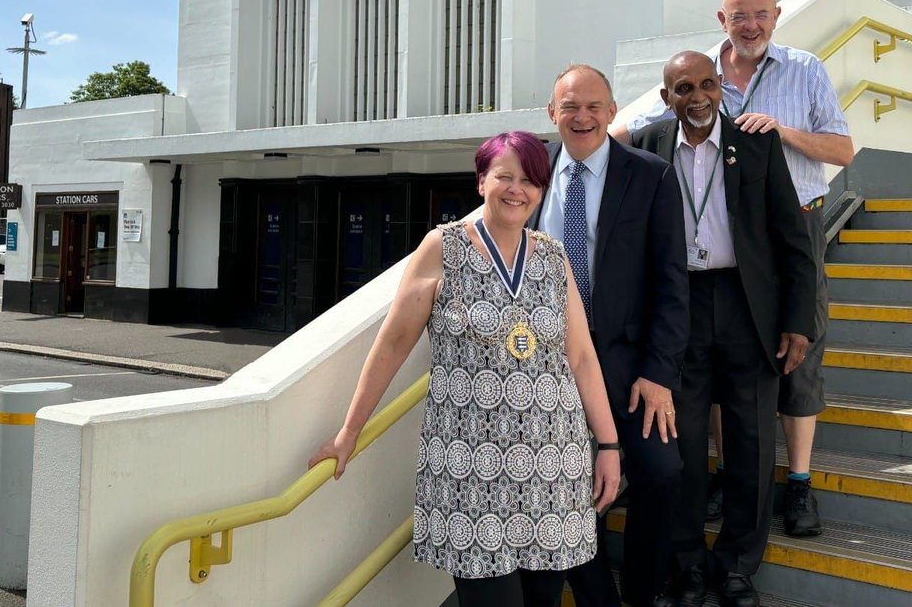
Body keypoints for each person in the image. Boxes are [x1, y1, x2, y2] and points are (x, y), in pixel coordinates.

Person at [310, 132, 622, 607]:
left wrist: (609, 445)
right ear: (481, 182)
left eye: (530, 180)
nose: (517, 189)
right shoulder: (444, 247)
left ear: (540, 190)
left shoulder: (554, 257)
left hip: (554, 470)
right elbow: (393, 343)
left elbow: (579, 357)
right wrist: (348, 431)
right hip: (470, 475)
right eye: (505, 176)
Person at [614, 0, 853, 538]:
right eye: (740, 16)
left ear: (776, 16)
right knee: (718, 376)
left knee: (797, 358)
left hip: (792, 225)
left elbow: (842, 149)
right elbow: (630, 130)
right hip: (721, 248)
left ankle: (798, 482)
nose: (751, 25)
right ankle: (726, 476)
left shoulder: (805, 70)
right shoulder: (699, 72)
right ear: (723, 19)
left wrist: (779, 133)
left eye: (761, 15)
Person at [630, 51, 816, 607]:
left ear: (721, 90)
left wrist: (797, 323)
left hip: (745, 305)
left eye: (707, 84)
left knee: (752, 443)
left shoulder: (756, 143)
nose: (698, 96)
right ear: (667, 98)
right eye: (683, 88)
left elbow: (794, 240)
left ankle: (736, 566)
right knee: (681, 443)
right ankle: (686, 566)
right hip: (676, 307)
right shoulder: (648, 146)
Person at [528, 65, 690, 607]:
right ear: (552, 113)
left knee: (662, 474)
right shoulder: (530, 179)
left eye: (594, 106)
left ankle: (642, 595)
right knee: (574, 492)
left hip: (630, 371)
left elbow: (672, 285)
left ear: (613, 111)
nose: (583, 117)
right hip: (550, 373)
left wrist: (659, 373)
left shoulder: (650, 176)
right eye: (570, 106)